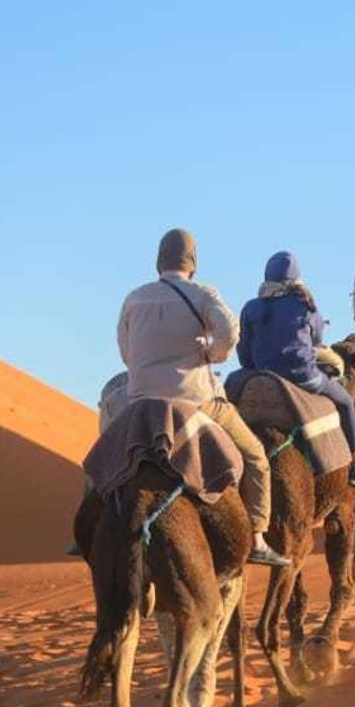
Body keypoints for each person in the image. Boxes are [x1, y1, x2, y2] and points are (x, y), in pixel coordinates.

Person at [116, 228, 291, 568]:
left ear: (158, 261)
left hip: (141, 404)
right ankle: (257, 537)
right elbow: (230, 332)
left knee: (105, 455)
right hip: (195, 402)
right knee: (256, 457)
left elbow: (126, 352)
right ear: (193, 262)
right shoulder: (203, 294)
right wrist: (212, 353)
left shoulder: (134, 299)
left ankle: (89, 525)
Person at [237, 251, 355, 496]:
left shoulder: (251, 308)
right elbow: (317, 340)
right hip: (303, 376)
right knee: (345, 401)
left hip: (262, 374)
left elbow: (244, 353)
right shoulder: (304, 304)